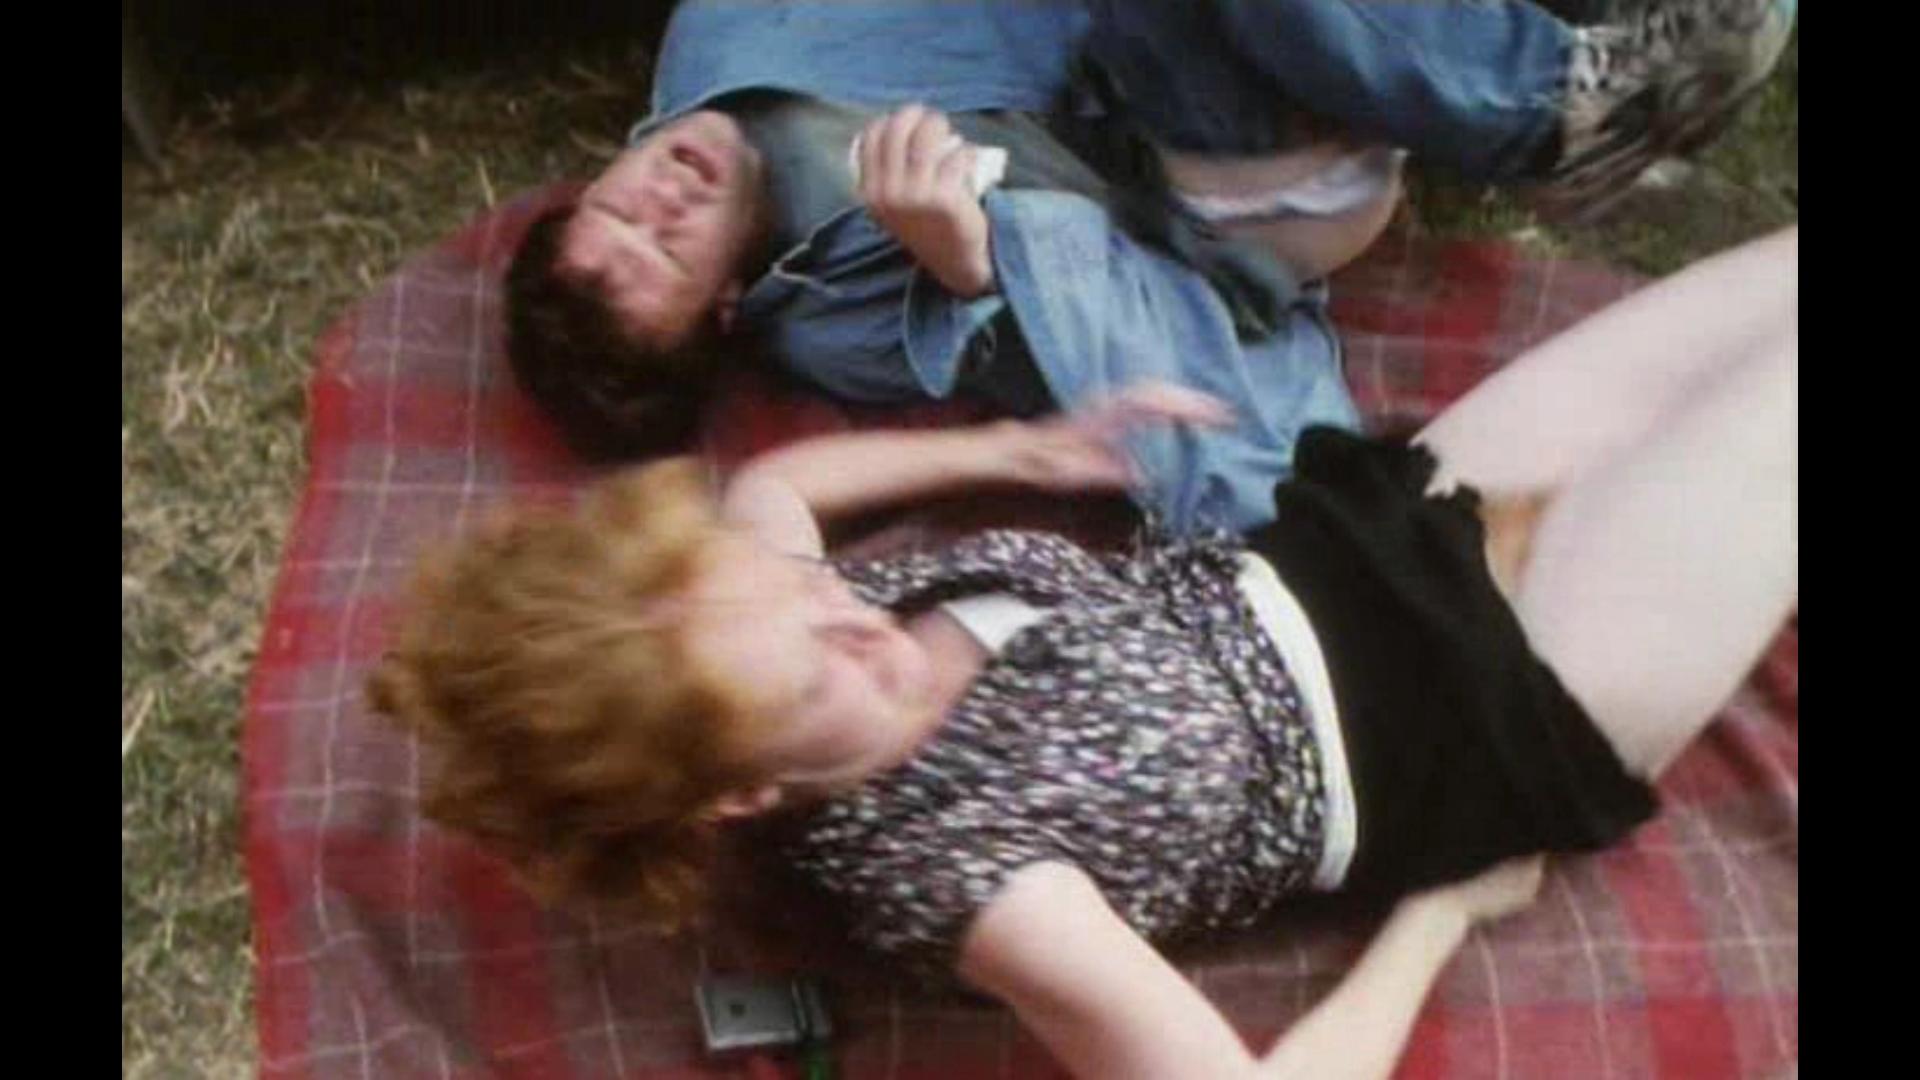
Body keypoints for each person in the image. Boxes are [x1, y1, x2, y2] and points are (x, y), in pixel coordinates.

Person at [373, 225, 1798, 1078]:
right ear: (740, 790)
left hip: (1372, 534)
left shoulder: (763, 613)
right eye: (818, 670)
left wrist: (1021, 448)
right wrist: (1442, 917)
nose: (856, 618)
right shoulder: (970, 883)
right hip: (1503, 700)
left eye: (810, 594)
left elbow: (777, 493)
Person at [503, 0, 1795, 535]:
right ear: (727, 306)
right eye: (664, 252)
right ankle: (1555, 116)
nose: (658, 200)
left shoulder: (718, 30)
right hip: (1214, 183)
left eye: (614, 208)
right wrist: (963, 259)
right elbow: (1071, 356)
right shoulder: (826, 312)